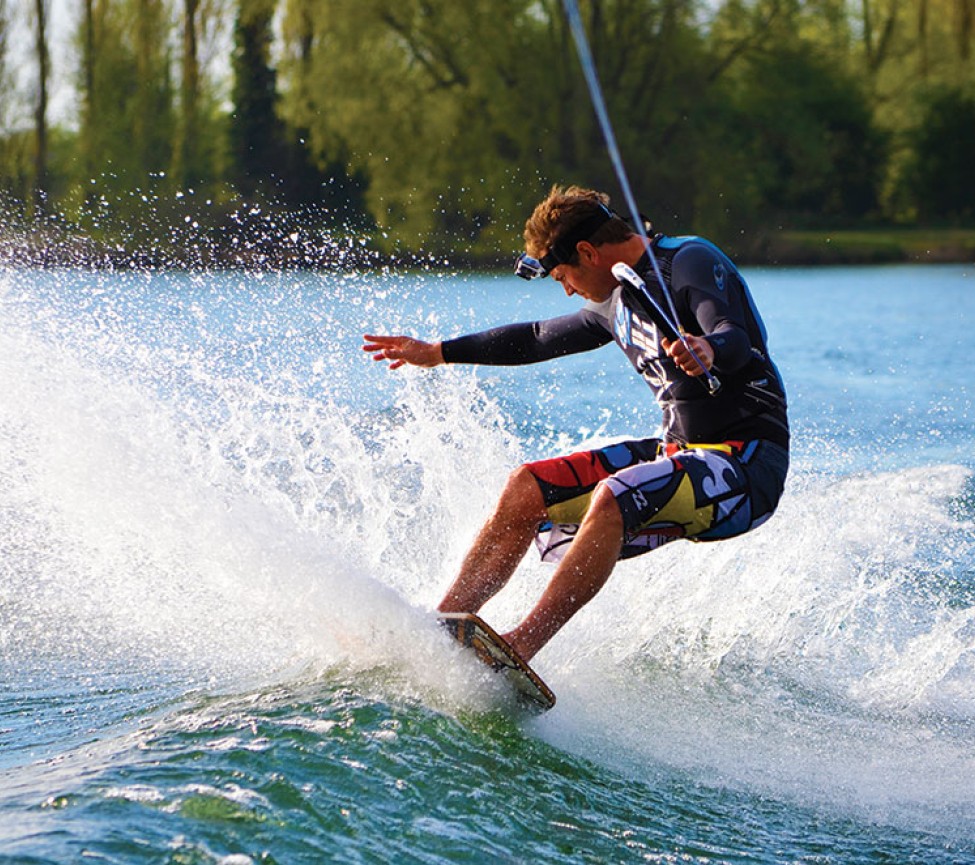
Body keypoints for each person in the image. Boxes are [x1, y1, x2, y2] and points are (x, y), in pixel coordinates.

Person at [363, 185, 789, 662]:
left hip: (748, 464)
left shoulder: (686, 261)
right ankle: (443, 629)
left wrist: (707, 348)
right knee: (526, 486)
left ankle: (520, 648)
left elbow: (733, 335)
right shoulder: (615, 298)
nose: (566, 289)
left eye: (564, 276)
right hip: (680, 455)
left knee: (614, 494)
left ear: (588, 252)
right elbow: (539, 337)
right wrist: (440, 353)